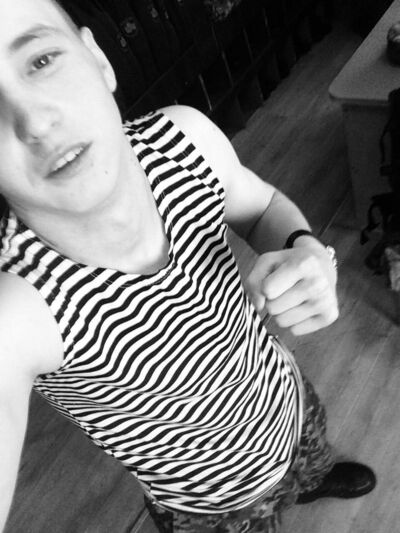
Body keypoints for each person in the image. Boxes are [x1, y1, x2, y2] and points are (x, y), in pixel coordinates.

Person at [0, 1, 376, 532]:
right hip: (214, 503)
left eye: (41, 60)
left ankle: (310, 479)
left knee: (312, 456)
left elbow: (261, 206)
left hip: (286, 402)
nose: (35, 122)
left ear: (98, 60)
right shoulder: (19, 307)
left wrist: (305, 246)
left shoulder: (184, 140)